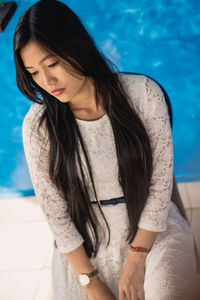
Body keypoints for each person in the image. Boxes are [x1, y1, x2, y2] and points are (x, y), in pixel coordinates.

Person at [13, 0, 197, 299]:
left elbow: (160, 184)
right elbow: (56, 212)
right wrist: (91, 281)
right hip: (88, 244)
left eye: (52, 64)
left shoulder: (144, 95)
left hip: (151, 229)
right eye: (33, 72)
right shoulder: (38, 125)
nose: (46, 82)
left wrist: (137, 258)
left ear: (77, 47)